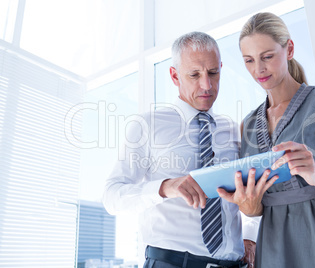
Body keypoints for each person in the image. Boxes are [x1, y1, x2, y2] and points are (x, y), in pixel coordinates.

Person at [217, 12, 315, 267]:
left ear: (289, 49)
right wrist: (247, 204)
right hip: (274, 246)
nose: (259, 69)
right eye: (249, 60)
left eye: (267, 56)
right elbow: (254, 209)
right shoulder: (247, 124)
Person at [103, 31, 260, 268]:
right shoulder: (147, 125)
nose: (206, 85)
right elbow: (112, 196)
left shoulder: (232, 130)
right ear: (175, 76)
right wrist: (165, 187)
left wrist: (250, 235)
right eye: (194, 75)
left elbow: (252, 191)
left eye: (213, 73)